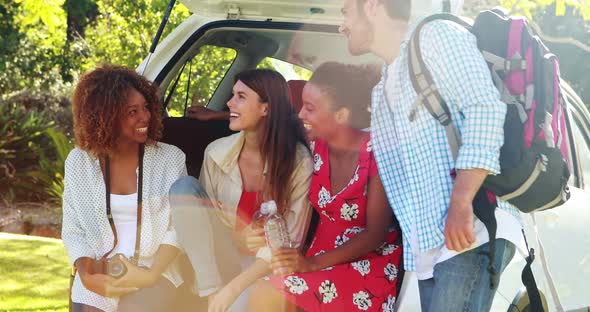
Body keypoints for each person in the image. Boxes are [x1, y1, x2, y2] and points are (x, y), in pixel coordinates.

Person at [339, 0, 523, 311]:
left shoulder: (436, 37)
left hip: (472, 227)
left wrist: (461, 202)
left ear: (371, 6)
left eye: (345, 12)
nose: (340, 25)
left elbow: (486, 109)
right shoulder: (383, 87)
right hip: (430, 247)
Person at [250, 62, 403, 311]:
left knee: (266, 292)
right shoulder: (316, 145)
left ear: (341, 115)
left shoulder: (378, 153)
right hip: (317, 256)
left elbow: (375, 235)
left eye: (310, 108)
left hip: (365, 264)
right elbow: (272, 121)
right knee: (267, 293)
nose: (301, 114)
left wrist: (311, 264)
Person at [169, 68, 313, 311]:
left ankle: (222, 295)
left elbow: (289, 247)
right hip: (220, 261)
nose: (229, 102)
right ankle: (209, 292)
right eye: (233, 94)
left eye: (241, 97)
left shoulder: (299, 163)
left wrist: (232, 290)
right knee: (184, 188)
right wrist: (236, 239)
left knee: (238, 306)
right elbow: (205, 222)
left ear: (266, 108)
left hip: (266, 267)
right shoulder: (215, 153)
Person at [61, 65, 187, 312]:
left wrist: (150, 275)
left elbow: (179, 227)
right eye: (132, 112)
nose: (145, 117)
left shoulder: (171, 159)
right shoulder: (79, 161)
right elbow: (73, 229)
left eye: (146, 107)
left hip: (156, 272)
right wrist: (87, 275)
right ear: (106, 116)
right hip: (100, 272)